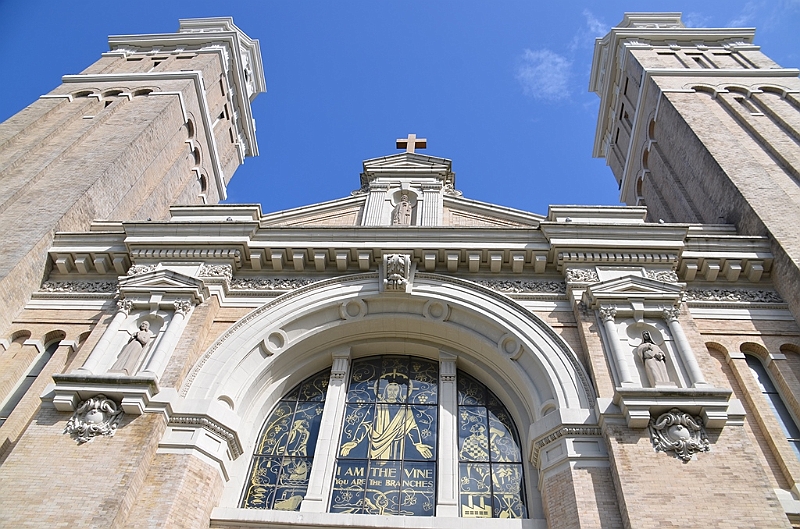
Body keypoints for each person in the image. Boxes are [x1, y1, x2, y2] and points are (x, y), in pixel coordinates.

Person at [340, 381, 432, 459]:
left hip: (397, 446)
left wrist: (418, 444)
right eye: (390, 389)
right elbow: (366, 424)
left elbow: (412, 426)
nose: (392, 392)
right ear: (386, 391)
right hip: (376, 443)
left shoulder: (405, 408)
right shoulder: (377, 406)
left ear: (399, 392)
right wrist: (355, 441)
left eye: (395, 390)